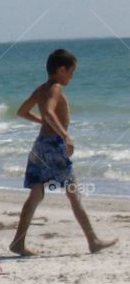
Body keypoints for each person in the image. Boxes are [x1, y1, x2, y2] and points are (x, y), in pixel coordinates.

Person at [9, 49, 117, 256]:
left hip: (40, 145)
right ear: (61, 70)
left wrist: (42, 122)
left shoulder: (41, 89)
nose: (72, 76)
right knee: (74, 194)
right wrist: (65, 134)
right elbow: (49, 111)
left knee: (36, 195)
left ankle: (18, 243)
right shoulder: (56, 88)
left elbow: (22, 112)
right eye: (72, 72)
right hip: (53, 146)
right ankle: (93, 240)